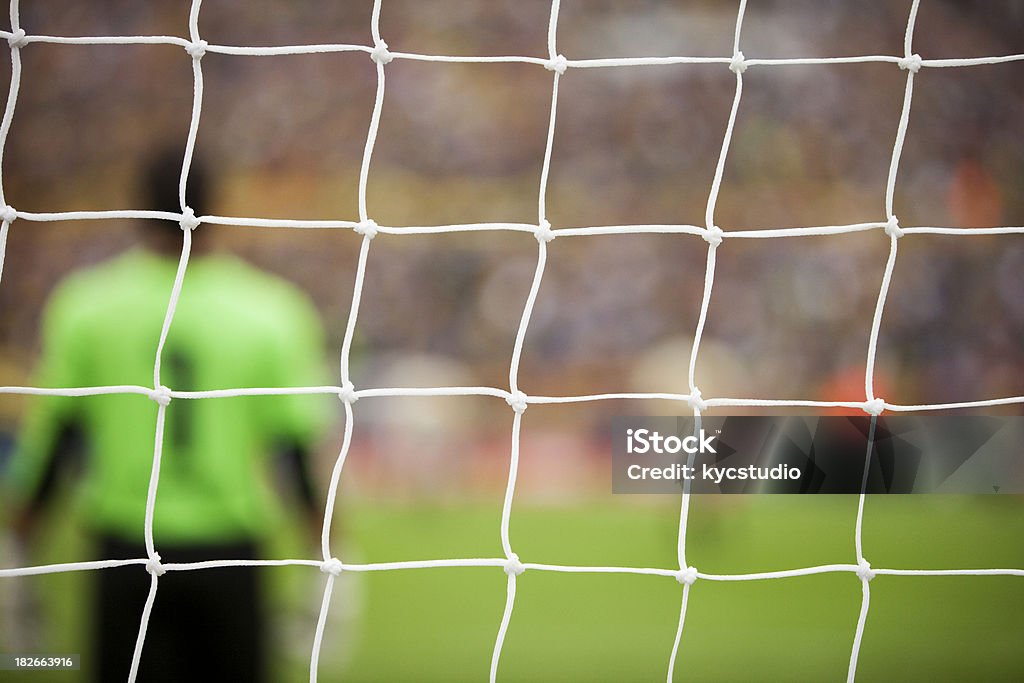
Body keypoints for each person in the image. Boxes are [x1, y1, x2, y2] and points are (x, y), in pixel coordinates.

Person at [4, 148, 330, 682]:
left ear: (136, 208)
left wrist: (20, 545)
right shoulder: (271, 309)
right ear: (219, 207)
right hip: (231, 555)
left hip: (125, 552)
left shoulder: (87, 305)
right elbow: (295, 452)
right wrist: (326, 556)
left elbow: (56, 439)